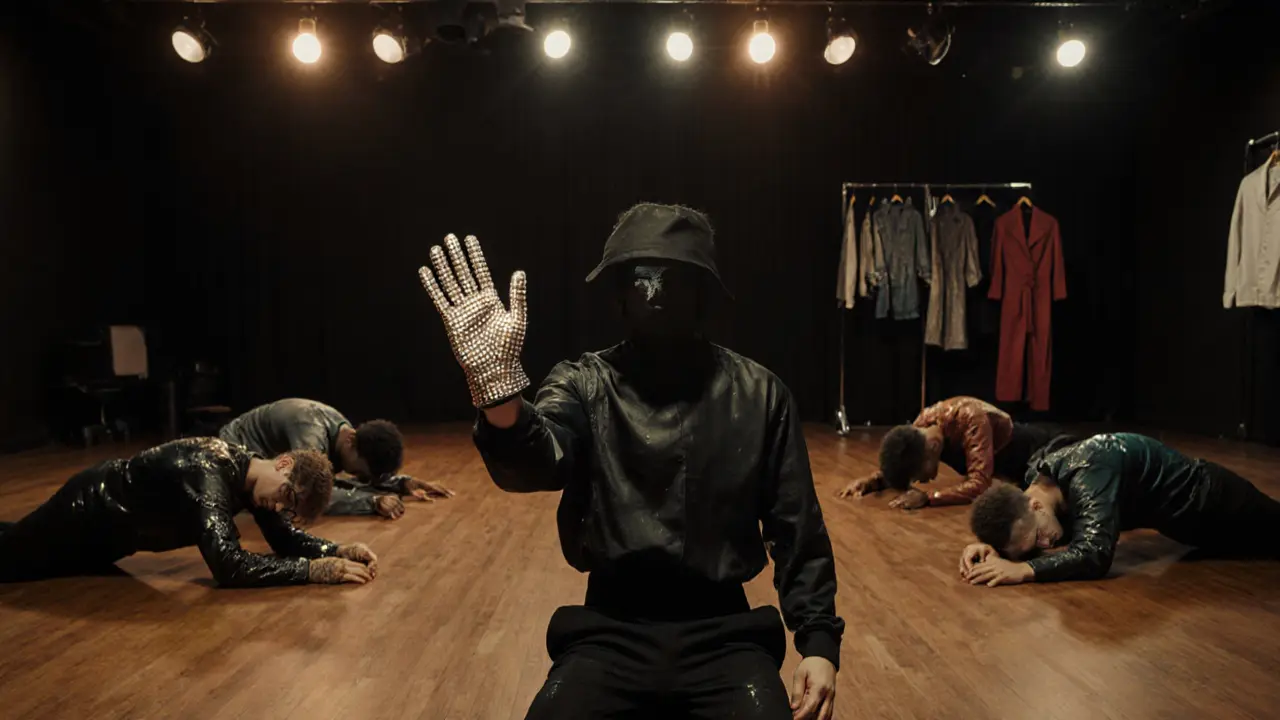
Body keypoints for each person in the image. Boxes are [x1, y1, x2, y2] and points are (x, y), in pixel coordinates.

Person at [417, 204, 843, 720]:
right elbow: (539, 462)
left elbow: (796, 525)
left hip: (726, 636)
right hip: (609, 632)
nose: (655, 294)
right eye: (642, 279)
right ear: (619, 292)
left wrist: (818, 642)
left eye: (672, 280)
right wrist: (498, 395)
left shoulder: (760, 394)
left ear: (703, 291)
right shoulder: (583, 383)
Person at [0, 437, 378, 587]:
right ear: (283, 464)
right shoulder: (210, 468)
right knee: (10, 561)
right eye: (286, 495)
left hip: (107, 539)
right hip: (87, 509)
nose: (279, 507)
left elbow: (283, 537)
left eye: (288, 507)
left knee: (20, 552)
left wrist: (336, 550)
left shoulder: (255, 482)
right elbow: (227, 565)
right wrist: (311, 570)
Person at [959, 432, 1280, 587]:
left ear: (1035, 504)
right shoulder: (1036, 483)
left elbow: (1094, 554)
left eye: (1037, 537)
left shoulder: (1089, 472)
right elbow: (1017, 515)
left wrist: (1025, 570)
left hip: (1217, 503)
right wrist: (994, 546)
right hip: (1192, 528)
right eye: (1033, 547)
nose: (1045, 545)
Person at [218, 398, 454, 520]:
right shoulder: (311, 432)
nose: (358, 476)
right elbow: (310, 492)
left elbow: (334, 481)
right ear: (351, 440)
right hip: (236, 453)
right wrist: (372, 502)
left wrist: (402, 483)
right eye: (360, 472)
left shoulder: (344, 435)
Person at [836, 396, 1072, 510]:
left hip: (1040, 451)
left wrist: (929, 498)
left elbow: (979, 483)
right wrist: (873, 481)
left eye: (919, 474)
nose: (921, 481)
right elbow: (905, 457)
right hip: (1014, 472)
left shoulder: (970, 418)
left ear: (933, 448)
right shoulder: (923, 426)